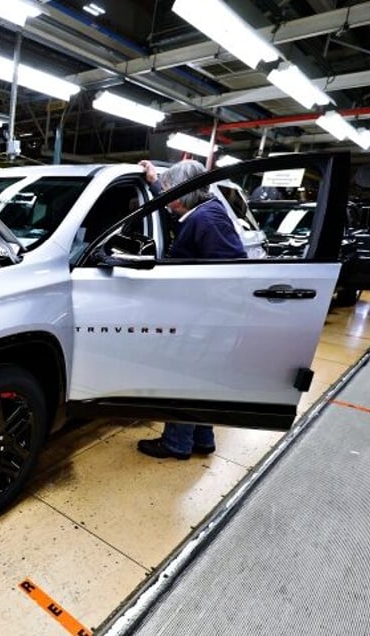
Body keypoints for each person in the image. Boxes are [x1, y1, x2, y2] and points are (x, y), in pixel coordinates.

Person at [135, 158, 247, 460]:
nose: (167, 195)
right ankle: (202, 437)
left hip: (208, 316)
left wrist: (200, 309)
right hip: (208, 314)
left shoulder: (207, 220)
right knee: (200, 377)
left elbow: (233, 271)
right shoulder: (202, 212)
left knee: (183, 375)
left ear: (184, 193)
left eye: (170, 189)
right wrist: (155, 181)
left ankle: (176, 443)